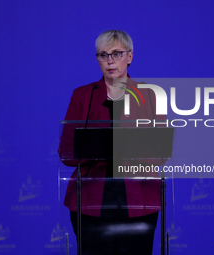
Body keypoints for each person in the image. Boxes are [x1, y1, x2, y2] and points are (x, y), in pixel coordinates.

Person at [59, 30, 165, 255]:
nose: (109, 61)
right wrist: (102, 148)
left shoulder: (150, 95)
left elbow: (160, 152)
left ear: (130, 56)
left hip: (139, 198)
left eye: (117, 54)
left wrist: (118, 146)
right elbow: (67, 152)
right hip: (90, 198)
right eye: (103, 55)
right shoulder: (82, 96)